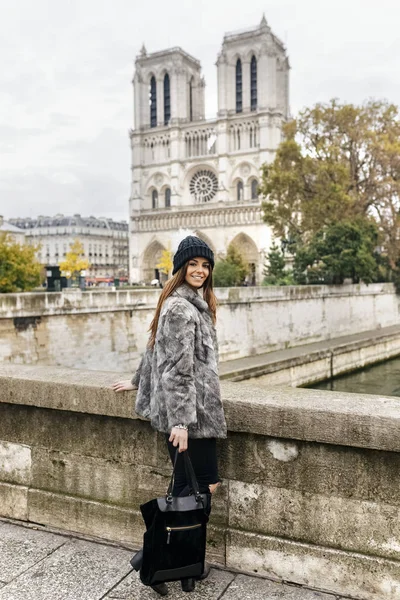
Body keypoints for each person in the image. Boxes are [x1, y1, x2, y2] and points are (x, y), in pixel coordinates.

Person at [112, 236, 227, 595]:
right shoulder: (181, 309)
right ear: (180, 269)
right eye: (193, 264)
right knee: (194, 491)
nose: (200, 271)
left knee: (195, 490)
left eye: (205, 266)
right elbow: (177, 370)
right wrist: (180, 422)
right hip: (192, 418)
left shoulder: (189, 305)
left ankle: (183, 567)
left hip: (197, 414)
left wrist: (137, 382)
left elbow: (154, 353)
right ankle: (153, 561)